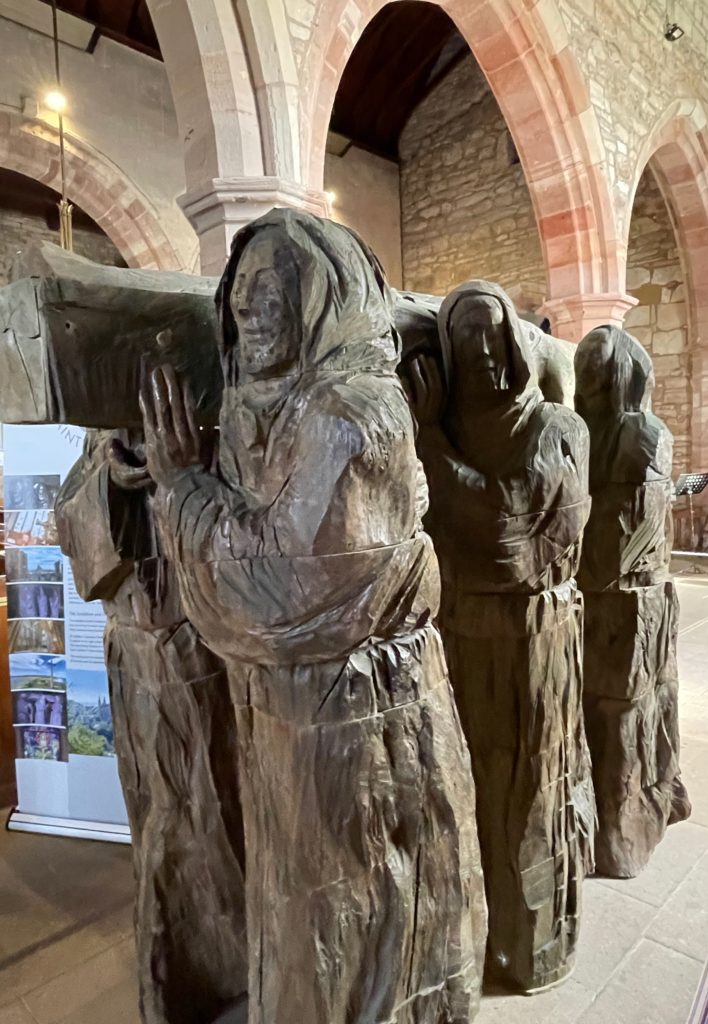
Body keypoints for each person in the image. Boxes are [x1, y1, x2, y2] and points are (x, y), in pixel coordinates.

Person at [140, 209, 487, 1024]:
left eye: (274, 287)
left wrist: (181, 488)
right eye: (241, 292)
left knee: (351, 916)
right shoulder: (281, 406)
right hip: (304, 719)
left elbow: (284, 591)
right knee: (335, 915)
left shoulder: (348, 412)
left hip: (352, 723)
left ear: (322, 296)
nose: (249, 309)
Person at [406, 279, 595, 994]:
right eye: (464, 338)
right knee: (467, 796)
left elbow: (508, 528)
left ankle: (528, 943)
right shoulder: (448, 427)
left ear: (515, 342)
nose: (481, 351)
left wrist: (430, 445)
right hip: (455, 640)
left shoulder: (556, 429)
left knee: (527, 797)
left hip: (531, 644)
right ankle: (470, 939)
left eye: (492, 333)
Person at [56, 429, 247, 1024]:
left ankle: (237, 976)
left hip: (206, 654)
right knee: (163, 828)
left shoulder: (217, 403)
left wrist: (183, 474)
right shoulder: (100, 437)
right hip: (137, 654)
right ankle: (182, 980)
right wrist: (112, 480)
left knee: (221, 825)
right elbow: (72, 528)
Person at [575, 325, 691, 878]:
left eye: (600, 370)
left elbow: (615, 547)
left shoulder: (643, 435)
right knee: (609, 714)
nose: (589, 381)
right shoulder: (582, 434)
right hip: (600, 603)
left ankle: (632, 819)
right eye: (584, 370)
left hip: (631, 601)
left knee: (634, 710)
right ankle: (614, 818)